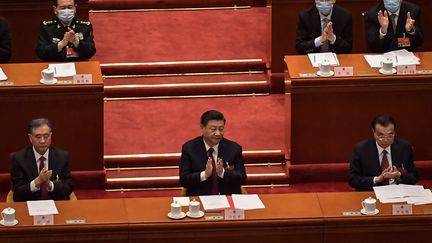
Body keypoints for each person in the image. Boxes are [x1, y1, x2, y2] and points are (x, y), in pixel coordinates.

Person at [179, 110, 247, 196]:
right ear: (202, 127)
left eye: (221, 129)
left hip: (227, 198)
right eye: (213, 129)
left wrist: (222, 172)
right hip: (200, 198)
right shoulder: (189, 149)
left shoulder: (234, 148)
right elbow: (183, 180)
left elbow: (242, 178)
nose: (218, 133)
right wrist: (204, 175)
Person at [349, 115, 418, 191]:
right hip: (372, 193)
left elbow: (414, 176)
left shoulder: (404, 147)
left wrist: (399, 175)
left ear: (394, 132)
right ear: (374, 132)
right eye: (381, 136)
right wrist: (377, 179)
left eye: (390, 135)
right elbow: (353, 179)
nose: (386, 140)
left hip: (399, 192)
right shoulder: (361, 149)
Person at [11, 118, 73, 201]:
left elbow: (68, 187)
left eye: (46, 136)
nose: (43, 141)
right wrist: (37, 182)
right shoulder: (19, 158)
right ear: (30, 138)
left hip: (57, 204)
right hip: (29, 205)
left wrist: (50, 184)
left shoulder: (62, 157)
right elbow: (18, 191)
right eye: (38, 137)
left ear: (51, 136)